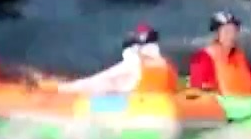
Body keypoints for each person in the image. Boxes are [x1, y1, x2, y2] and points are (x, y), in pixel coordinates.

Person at [184, 10, 251, 97]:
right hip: (232, 111)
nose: (231, 36)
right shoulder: (202, 58)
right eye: (226, 32)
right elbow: (199, 91)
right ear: (216, 34)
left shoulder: (239, 55)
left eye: (234, 31)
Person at [53, 25, 181, 96]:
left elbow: (99, 79)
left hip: (139, 103)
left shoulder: (133, 61)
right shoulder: (164, 62)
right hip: (163, 101)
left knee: (103, 83)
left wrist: (63, 88)